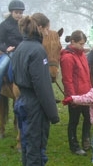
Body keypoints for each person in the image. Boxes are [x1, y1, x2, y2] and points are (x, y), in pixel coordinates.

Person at [12, 13, 60, 165]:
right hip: (34, 106)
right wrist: (53, 114)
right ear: (39, 28)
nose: (48, 33)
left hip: (22, 102)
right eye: (47, 29)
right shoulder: (38, 51)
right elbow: (43, 87)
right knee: (36, 148)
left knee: (27, 145)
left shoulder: (20, 47)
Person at [60, 30, 92, 156]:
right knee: (74, 121)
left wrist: (90, 91)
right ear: (72, 42)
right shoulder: (67, 57)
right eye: (80, 44)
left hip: (86, 94)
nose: (82, 46)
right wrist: (72, 97)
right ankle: (74, 145)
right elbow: (67, 79)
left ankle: (86, 138)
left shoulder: (82, 54)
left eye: (83, 44)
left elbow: (86, 75)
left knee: (89, 118)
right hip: (75, 96)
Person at [0, 0, 25, 106]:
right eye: (16, 12)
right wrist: (6, 48)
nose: (19, 15)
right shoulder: (4, 25)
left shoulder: (25, 24)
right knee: (0, 68)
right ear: (11, 12)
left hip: (24, 51)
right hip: (10, 52)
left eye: (20, 13)